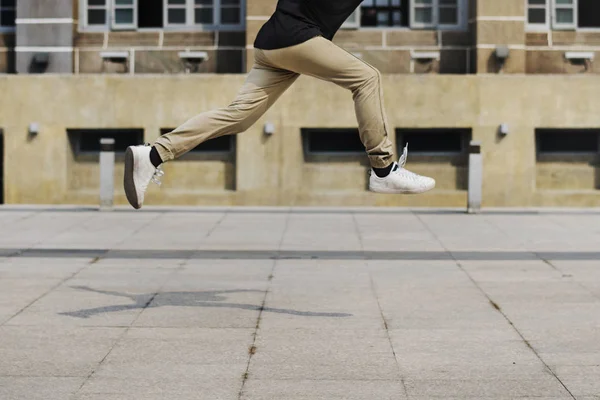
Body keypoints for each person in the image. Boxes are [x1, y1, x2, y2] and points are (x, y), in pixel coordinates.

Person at [124, 0, 436, 210]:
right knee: (367, 78)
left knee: (240, 117)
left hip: (273, 43)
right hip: (295, 37)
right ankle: (383, 169)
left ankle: (152, 154)